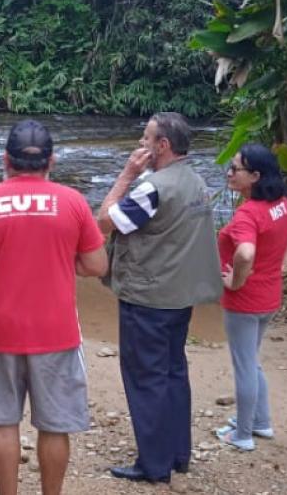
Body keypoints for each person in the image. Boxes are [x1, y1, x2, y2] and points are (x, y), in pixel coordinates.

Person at [0, 120, 108, 495]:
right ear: (51, 161)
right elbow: (97, 265)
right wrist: (63, 258)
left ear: (6, 159)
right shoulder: (74, 202)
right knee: (54, 425)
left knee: (3, 422)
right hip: (56, 330)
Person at [96, 112, 223, 483]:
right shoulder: (197, 181)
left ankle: (153, 465)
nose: (140, 144)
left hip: (148, 297)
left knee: (145, 378)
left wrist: (126, 175)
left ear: (162, 146)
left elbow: (104, 221)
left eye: (145, 138)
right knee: (173, 372)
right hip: (180, 296)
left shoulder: (151, 188)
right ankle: (178, 455)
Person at [214, 144, 287, 451]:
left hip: (245, 302)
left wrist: (236, 282)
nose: (229, 172)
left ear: (255, 176)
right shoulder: (279, 203)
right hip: (269, 296)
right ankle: (261, 422)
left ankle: (242, 435)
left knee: (244, 365)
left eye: (236, 168)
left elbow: (245, 252)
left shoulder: (248, 214)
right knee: (251, 361)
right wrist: (283, 265)